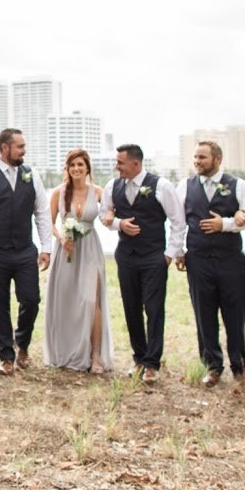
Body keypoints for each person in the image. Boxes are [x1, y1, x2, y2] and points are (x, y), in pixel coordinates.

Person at [0, 128, 53, 375]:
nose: (24, 151)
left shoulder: (31, 174)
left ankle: (22, 343)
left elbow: (42, 212)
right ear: (5, 148)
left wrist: (46, 247)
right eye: (20, 147)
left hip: (25, 250)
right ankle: (6, 356)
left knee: (31, 299)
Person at [100, 143, 185, 383]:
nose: (116, 167)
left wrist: (169, 254)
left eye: (120, 163)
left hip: (153, 257)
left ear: (135, 164)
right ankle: (138, 357)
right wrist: (119, 224)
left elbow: (178, 221)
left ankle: (152, 363)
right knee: (131, 307)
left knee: (154, 309)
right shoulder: (112, 186)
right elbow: (103, 214)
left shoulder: (162, 186)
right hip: (126, 255)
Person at [177, 140, 245, 387]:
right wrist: (179, 251)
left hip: (230, 260)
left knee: (235, 313)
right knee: (204, 313)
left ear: (217, 159)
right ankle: (212, 366)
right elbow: (178, 221)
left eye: (202, 157)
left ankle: (239, 364)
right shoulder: (185, 186)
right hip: (198, 259)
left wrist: (225, 224)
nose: (197, 162)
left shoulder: (237, 185)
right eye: (195, 157)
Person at [43, 149, 112, 374]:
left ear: (87, 168)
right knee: (67, 300)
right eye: (72, 165)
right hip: (67, 250)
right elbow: (48, 224)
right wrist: (62, 238)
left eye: (80, 165)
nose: (76, 169)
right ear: (67, 169)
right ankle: (66, 351)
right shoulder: (58, 193)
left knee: (92, 301)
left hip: (90, 249)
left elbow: (108, 216)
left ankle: (95, 356)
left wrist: (112, 217)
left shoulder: (99, 192)